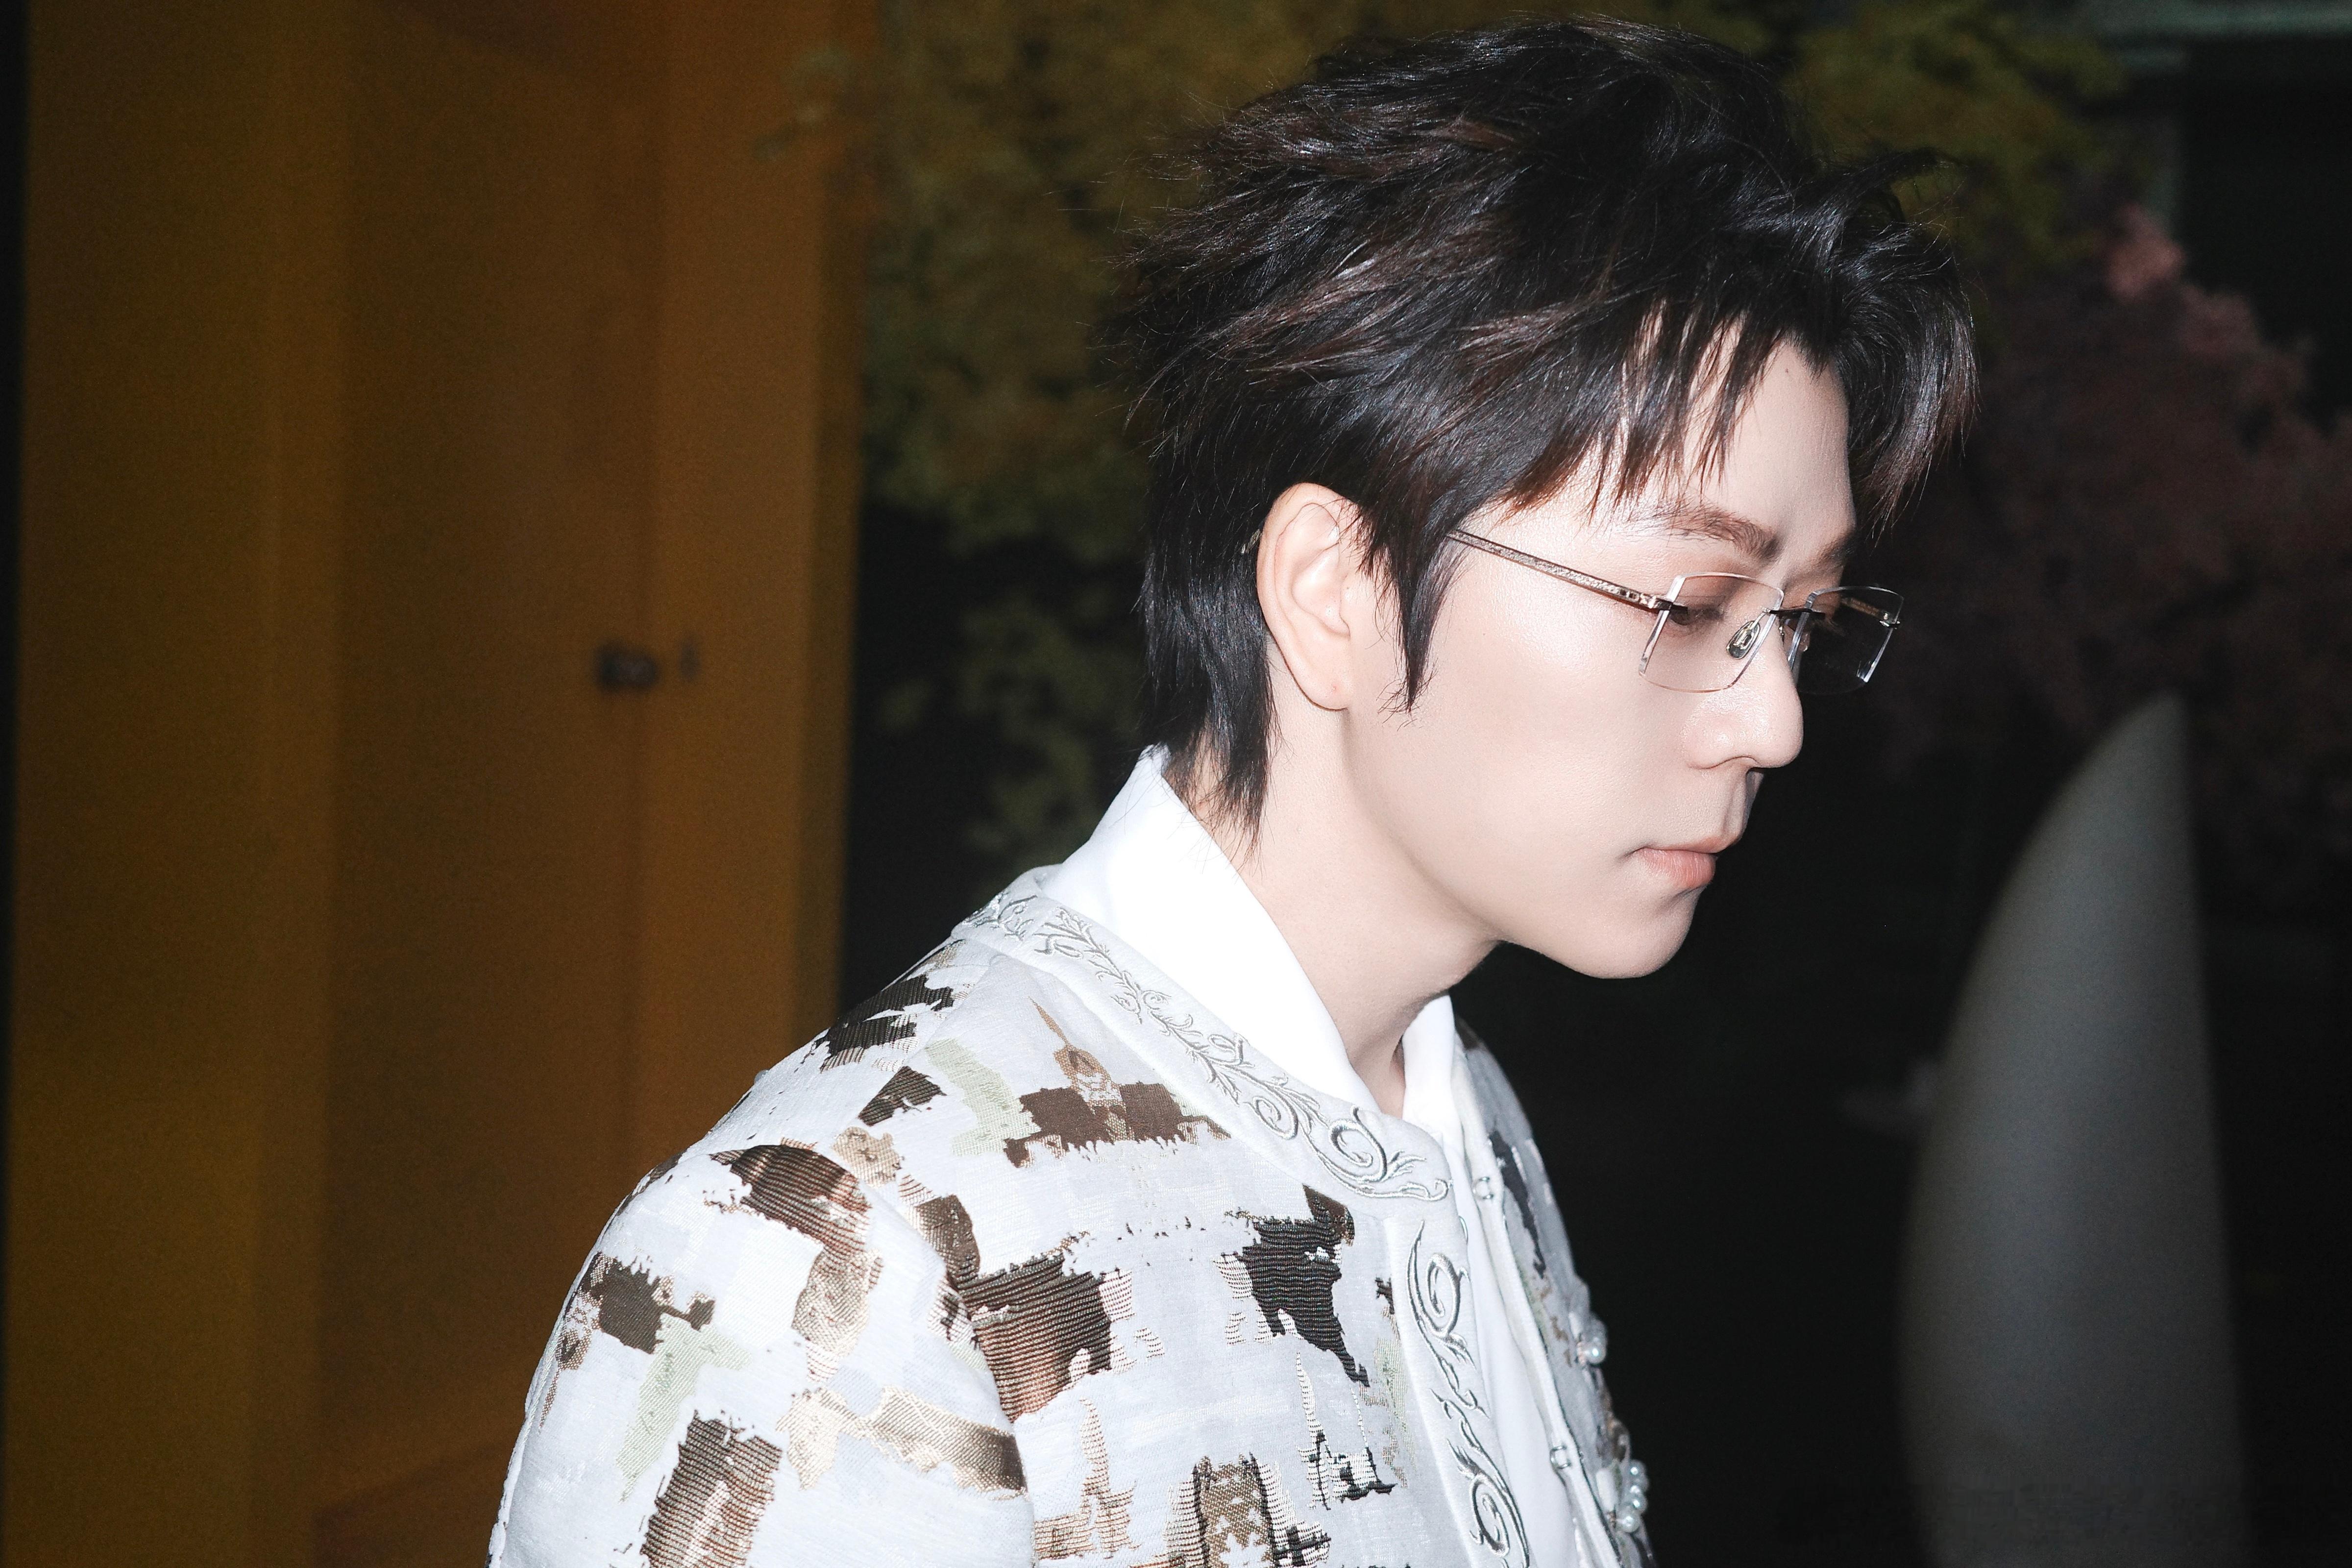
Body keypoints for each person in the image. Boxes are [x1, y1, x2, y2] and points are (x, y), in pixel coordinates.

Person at [488, 17, 1972, 1567]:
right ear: (1337, 587)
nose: (1775, 722)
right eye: (1691, 605)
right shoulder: (840, 1259)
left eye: (1799, 622)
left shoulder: (1449, 1105)